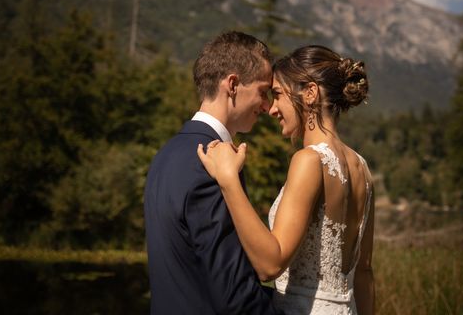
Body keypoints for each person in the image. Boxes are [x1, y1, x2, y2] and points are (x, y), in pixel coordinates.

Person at [198, 45, 375, 314]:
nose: (272, 109)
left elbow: (270, 265)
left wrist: (228, 180)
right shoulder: (362, 168)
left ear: (310, 93)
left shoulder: (309, 161)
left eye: (278, 95)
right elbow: (363, 272)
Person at [144, 31, 280, 314]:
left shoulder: (165, 155)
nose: (267, 106)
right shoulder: (211, 164)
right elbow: (235, 296)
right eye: (262, 91)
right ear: (232, 84)